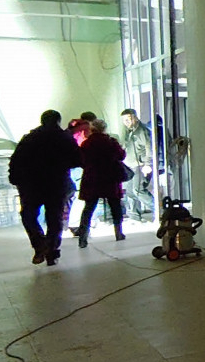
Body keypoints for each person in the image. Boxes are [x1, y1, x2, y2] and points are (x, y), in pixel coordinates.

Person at [9, 109, 83, 266]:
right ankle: (51, 252)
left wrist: (15, 178)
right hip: (56, 183)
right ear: (58, 121)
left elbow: (16, 160)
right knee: (54, 219)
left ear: (42, 121)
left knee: (28, 215)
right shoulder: (65, 138)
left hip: (31, 184)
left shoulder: (30, 138)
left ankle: (40, 244)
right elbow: (77, 160)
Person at [76, 118, 128, 246]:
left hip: (92, 178)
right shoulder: (111, 142)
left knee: (89, 208)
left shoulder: (86, 144)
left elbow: (81, 161)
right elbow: (121, 156)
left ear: (92, 129)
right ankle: (118, 233)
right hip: (110, 177)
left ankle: (83, 237)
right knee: (115, 205)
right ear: (104, 129)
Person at [120, 108, 155, 221]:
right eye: (124, 120)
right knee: (130, 192)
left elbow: (149, 147)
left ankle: (159, 211)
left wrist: (147, 164)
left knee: (138, 190)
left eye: (128, 119)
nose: (126, 122)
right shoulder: (128, 132)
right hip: (130, 165)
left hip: (140, 165)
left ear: (135, 118)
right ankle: (134, 216)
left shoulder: (142, 131)